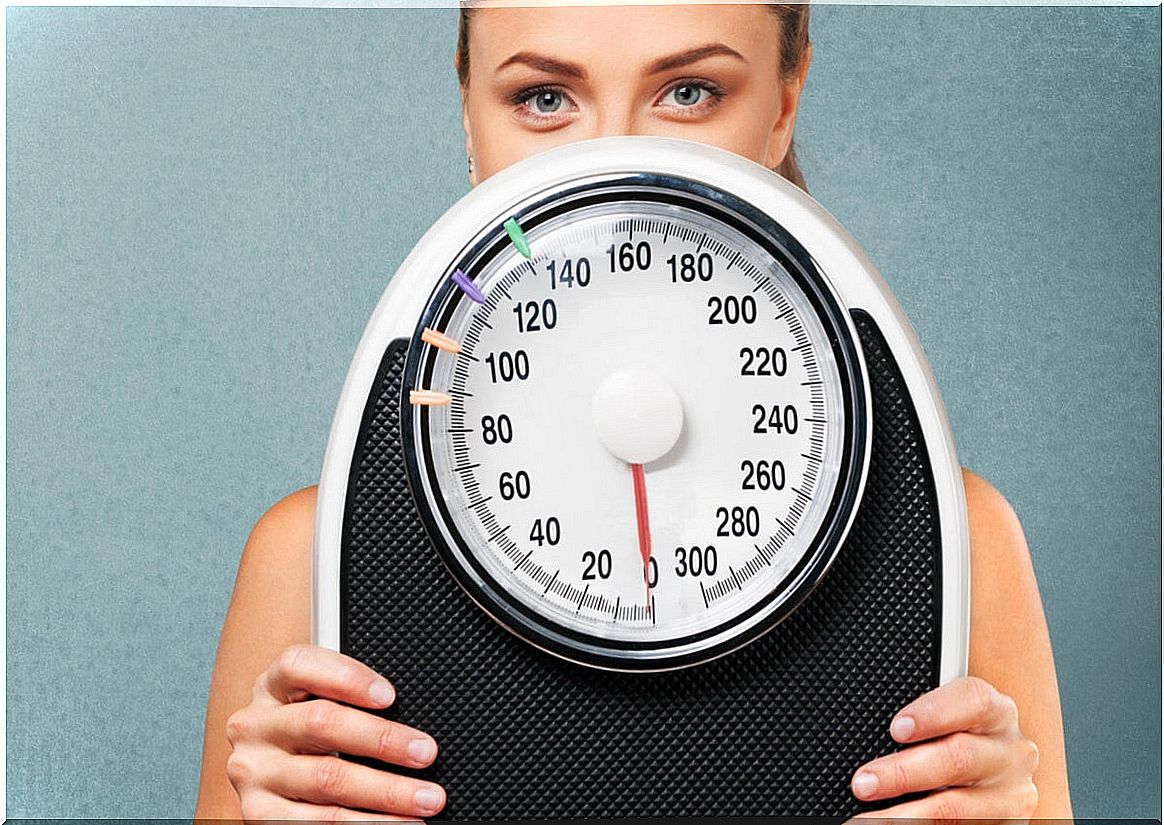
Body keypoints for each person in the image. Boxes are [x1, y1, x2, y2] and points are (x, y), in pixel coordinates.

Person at [193, 3, 1074, 821]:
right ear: (469, 113)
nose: (609, 163)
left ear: (783, 105)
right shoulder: (309, 558)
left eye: (689, 93)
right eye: (543, 98)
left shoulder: (960, 540)